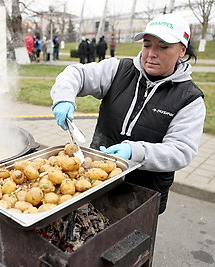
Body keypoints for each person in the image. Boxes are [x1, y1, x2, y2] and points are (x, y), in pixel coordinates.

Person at [51, 13, 205, 214]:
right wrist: (63, 97)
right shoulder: (119, 69)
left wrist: (134, 152)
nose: (151, 53)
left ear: (182, 50)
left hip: (143, 192)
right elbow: (76, 74)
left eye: (163, 47)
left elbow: (181, 151)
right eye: (147, 45)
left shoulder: (189, 99)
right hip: (95, 178)